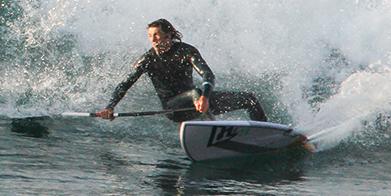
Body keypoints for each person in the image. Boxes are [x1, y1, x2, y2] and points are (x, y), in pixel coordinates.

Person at [96, 19, 268, 123]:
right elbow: (124, 85)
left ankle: (266, 133)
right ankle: (213, 130)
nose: (153, 40)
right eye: (150, 36)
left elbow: (208, 75)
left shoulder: (186, 51)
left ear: (168, 34)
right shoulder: (147, 59)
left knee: (249, 99)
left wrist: (205, 97)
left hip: (199, 101)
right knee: (195, 92)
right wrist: (109, 107)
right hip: (173, 108)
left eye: (156, 35)